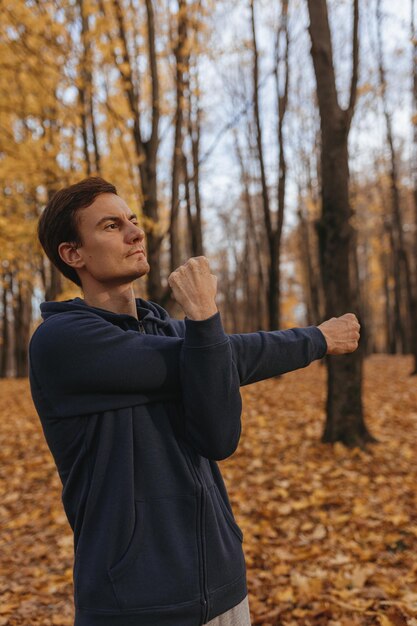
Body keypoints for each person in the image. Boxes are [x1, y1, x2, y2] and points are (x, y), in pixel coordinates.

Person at [28, 177, 360, 626]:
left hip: (225, 588)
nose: (134, 232)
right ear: (73, 254)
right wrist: (212, 318)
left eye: (132, 220)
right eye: (110, 225)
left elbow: (220, 436)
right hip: (134, 603)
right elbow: (219, 353)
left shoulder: (171, 332)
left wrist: (309, 338)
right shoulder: (63, 341)